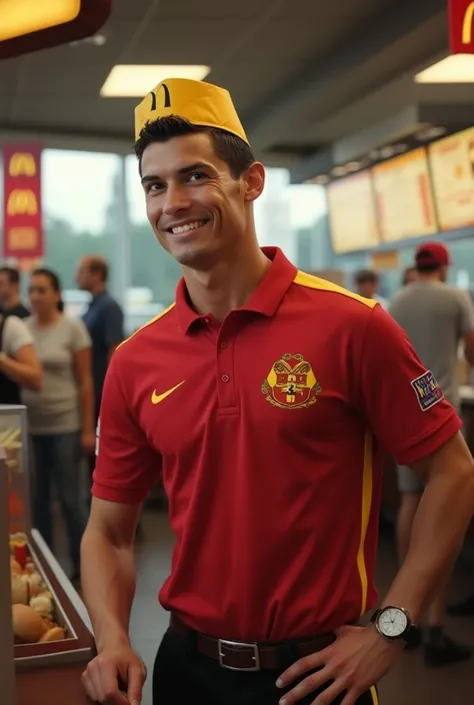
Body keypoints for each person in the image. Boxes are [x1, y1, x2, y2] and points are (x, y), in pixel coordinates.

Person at [80, 78, 474, 705]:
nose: (172, 202)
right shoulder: (135, 361)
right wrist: (111, 639)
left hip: (319, 677)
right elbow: (108, 531)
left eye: (195, 176)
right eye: (154, 186)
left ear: (252, 182)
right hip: (185, 669)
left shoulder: (354, 325)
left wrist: (390, 629)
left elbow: (452, 472)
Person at [389, 241, 474, 667]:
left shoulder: (396, 301)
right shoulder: (455, 297)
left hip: (402, 417)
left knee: (409, 503)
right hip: (443, 417)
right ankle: (436, 624)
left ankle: (407, 612)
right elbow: (473, 353)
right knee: (446, 507)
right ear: (443, 266)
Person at [22, 268, 95, 582]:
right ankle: (45, 567)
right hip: (31, 427)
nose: (35, 296)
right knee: (37, 501)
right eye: (32, 290)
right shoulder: (22, 329)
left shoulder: (72, 329)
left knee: (71, 499)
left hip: (65, 423)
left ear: (57, 294)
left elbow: (86, 381)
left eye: (42, 290)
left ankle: (85, 567)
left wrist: (88, 428)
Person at [76, 255, 124, 483]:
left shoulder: (109, 307)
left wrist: (108, 394)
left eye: (82, 271)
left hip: (100, 392)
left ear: (96, 275)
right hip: (91, 391)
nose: (78, 276)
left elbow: (113, 350)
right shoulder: (92, 306)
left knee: (107, 462)